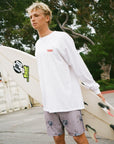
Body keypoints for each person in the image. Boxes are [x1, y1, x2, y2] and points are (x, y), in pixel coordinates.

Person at [26, 2, 105, 144]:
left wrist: (94, 88)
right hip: (50, 102)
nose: (33, 19)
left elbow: (78, 64)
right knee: (57, 137)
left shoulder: (61, 38)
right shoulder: (38, 44)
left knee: (78, 137)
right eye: (31, 16)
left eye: (36, 15)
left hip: (67, 100)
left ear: (47, 17)